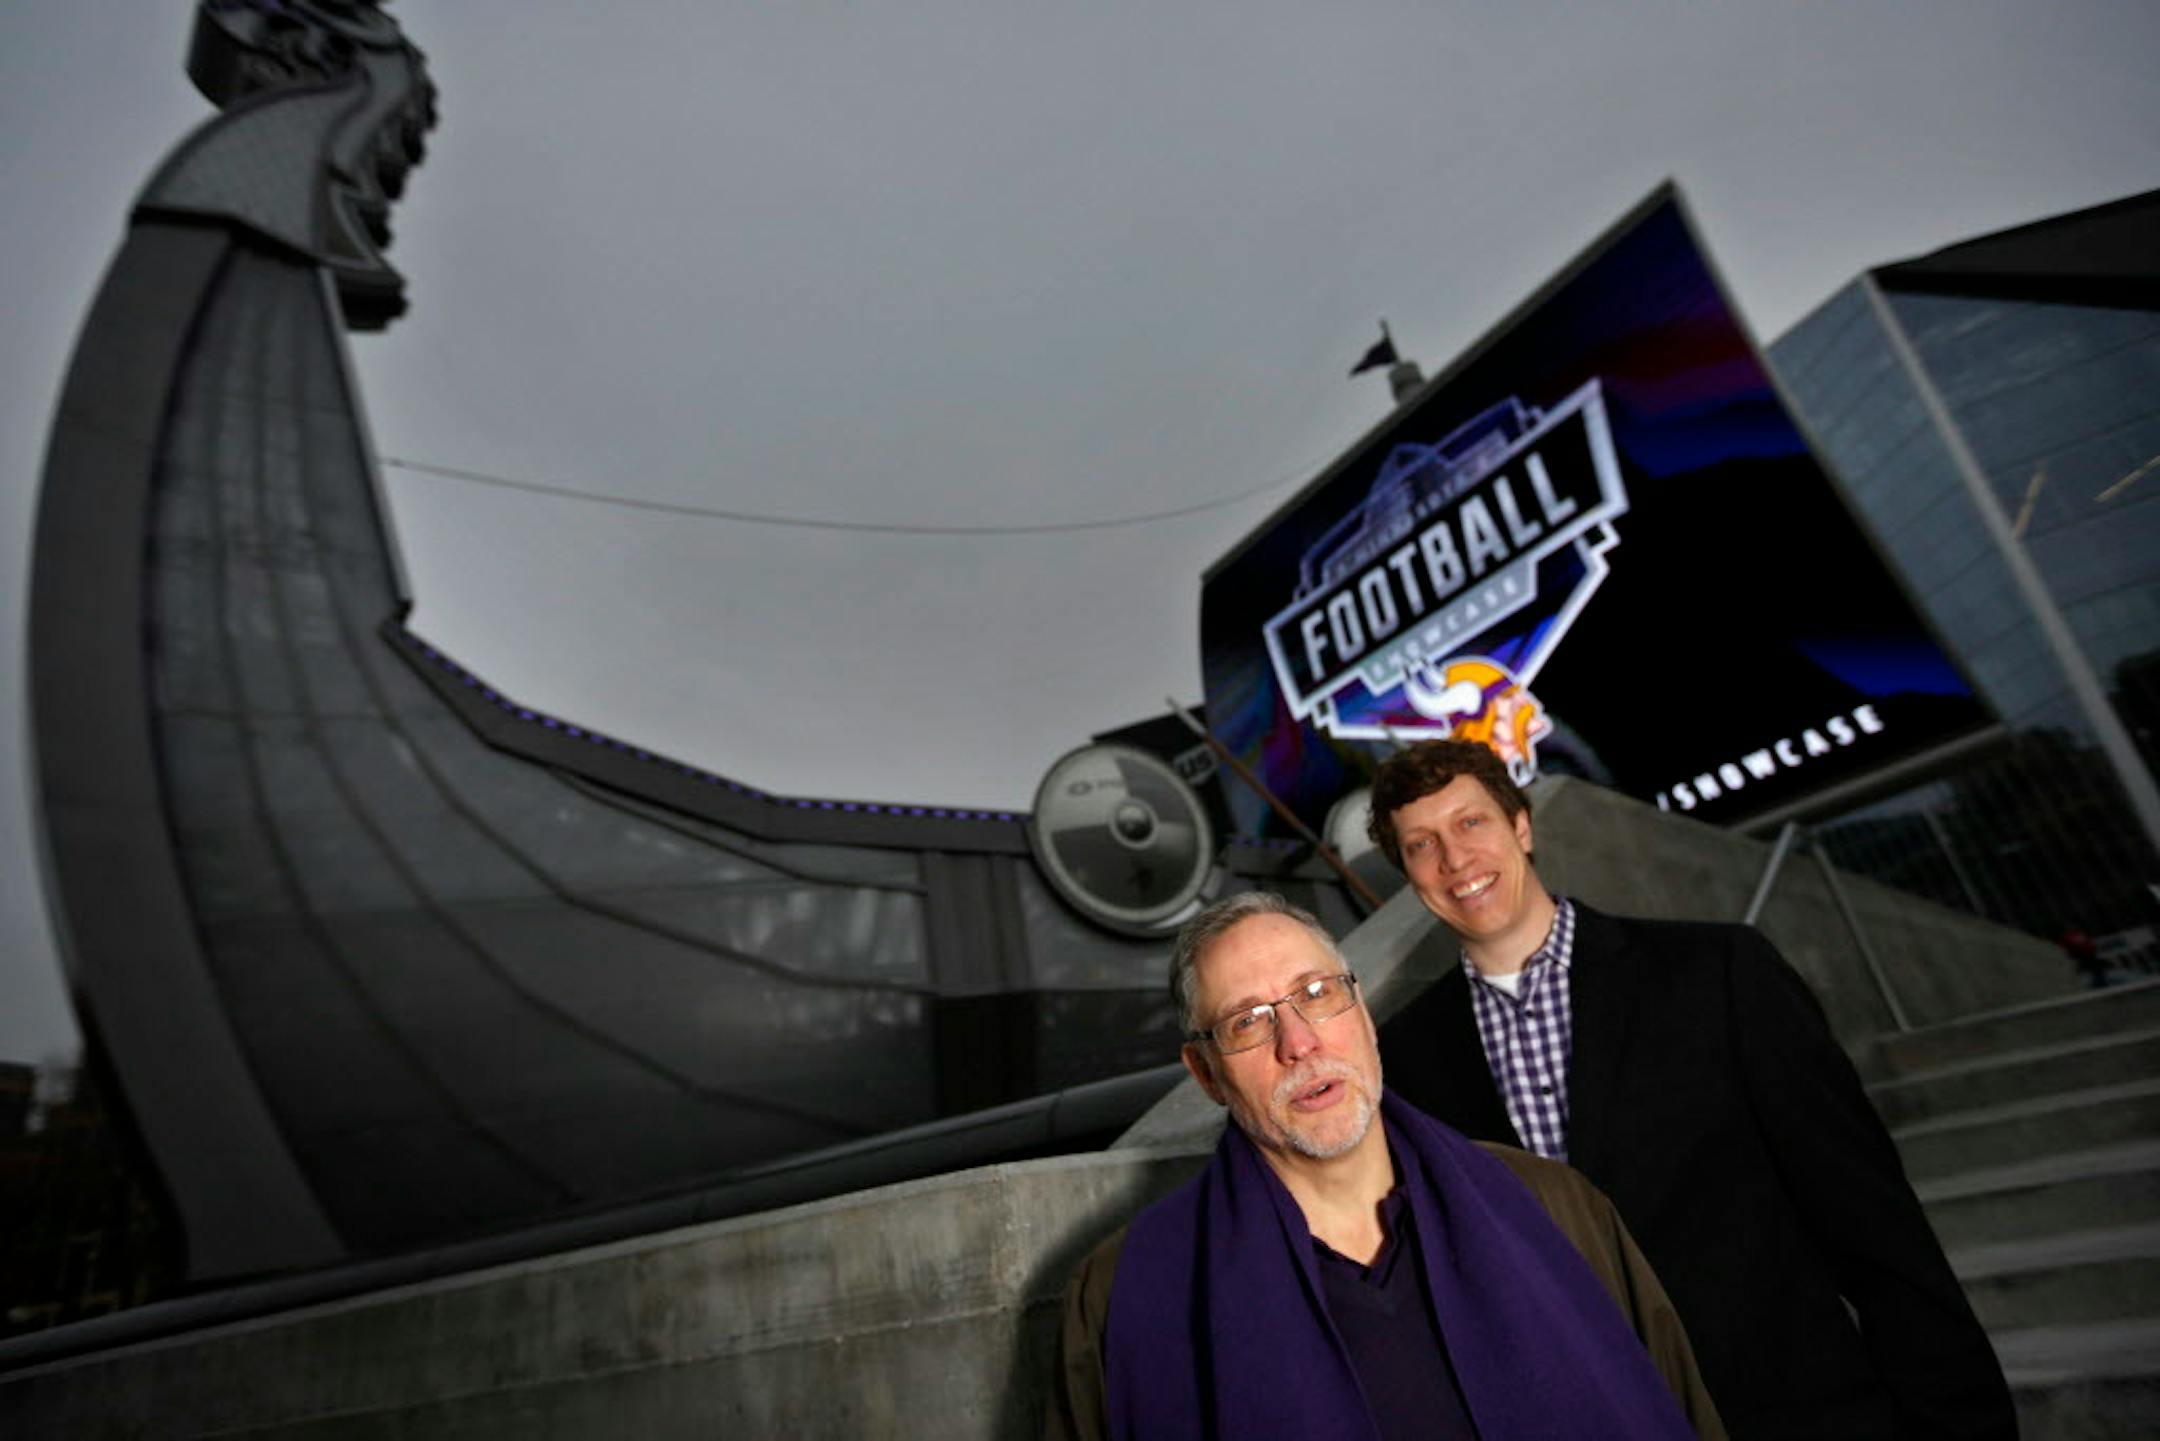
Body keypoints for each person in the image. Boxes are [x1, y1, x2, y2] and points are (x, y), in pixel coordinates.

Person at [1367, 739, 2016, 1440]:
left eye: (1472, 822)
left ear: (1522, 824)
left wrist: (1959, 1419)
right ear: (1409, 873)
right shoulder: (1404, 1059)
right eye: (1421, 844)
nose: (1455, 858)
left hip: (1799, 1411)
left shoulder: (1717, 973)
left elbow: (1876, 1228)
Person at [1046, 890, 1725, 1441]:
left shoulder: (1554, 1206)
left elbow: (1684, 1411)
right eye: (1248, 1021)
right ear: (1205, 1072)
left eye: (1316, 992)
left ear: (1363, 1013)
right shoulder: (1122, 1297)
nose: (1300, 1043)